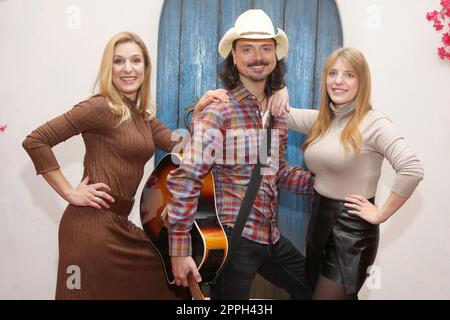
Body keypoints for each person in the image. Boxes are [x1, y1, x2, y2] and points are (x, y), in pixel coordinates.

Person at [22, 32, 219, 300]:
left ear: (145, 68)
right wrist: (70, 192)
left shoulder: (142, 117)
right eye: (119, 61)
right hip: (89, 230)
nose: (128, 68)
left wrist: (203, 114)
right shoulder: (99, 107)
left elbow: (183, 146)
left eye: (135, 61)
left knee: (172, 285)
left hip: (118, 226)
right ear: (109, 68)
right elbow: (36, 141)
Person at [165, 9, 314, 300]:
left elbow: (277, 170)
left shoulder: (275, 113)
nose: (257, 56)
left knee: (315, 289)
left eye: (265, 49)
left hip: (269, 236)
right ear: (234, 57)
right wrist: (179, 249)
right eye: (247, 49)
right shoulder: (219, 109)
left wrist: (324, 185)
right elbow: (187, 177)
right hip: (233, 240)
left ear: (275, 56)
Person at [268, 47, 424, 299]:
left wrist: (381, 213)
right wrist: (280, 89)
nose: (338, 81)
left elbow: (412, 168)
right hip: (319, 223)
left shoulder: (375, 123)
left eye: (349, 75)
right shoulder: (322, 121)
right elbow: (273, 111)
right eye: (333, 73)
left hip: (352, 234)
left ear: (362, 81)